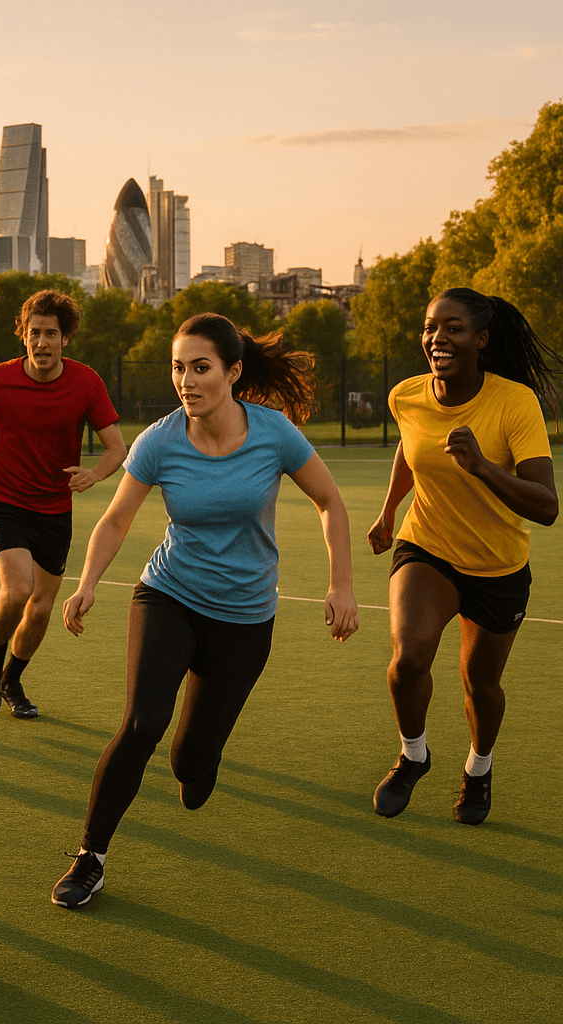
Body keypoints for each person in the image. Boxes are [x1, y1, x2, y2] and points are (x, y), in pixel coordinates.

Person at [52, 312, 359, 909]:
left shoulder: (274, 434)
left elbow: (330, 502)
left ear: (233, 371)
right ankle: (90, 857)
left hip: (244, 619)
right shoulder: (160, 441)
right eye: (177, 368)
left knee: (192, 769)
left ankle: (198, 759)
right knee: (142, 723)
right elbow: (116, 519)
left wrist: (341, 584)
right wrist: (87, 582)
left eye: (200, 368)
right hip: (170, 595)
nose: (186, 381)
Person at [368, 288, 558, 826]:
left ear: (480, 339)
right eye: (431, 327)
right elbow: (411, 449)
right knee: (409, 657)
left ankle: (478, 768)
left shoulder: (515, 402)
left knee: (481, 683)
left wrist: (483, 467)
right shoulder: (406, 395)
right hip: (427, 545)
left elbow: (547, 506)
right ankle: (413, 755)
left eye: (452, 328)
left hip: (498, 564)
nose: (437, 338)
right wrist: (388, 512)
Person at [0, 289, 126, 718]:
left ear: (65, 338)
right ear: (23, 337)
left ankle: (12, 678)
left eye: (51, 333)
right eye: (35, 333)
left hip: (53, 509)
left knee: (42, 607)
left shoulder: (86, 382)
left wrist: (94, 474)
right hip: (2, 499)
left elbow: (116, 448)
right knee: (18, 590)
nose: (42, 342)